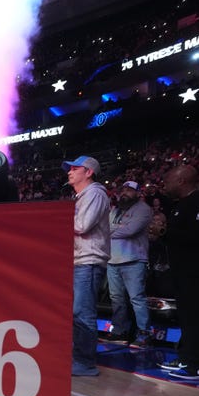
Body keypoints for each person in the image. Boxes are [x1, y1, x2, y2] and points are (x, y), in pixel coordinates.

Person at [157, 165, 199, 381]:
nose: (165, 185)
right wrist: (163, 235)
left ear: (182, 180)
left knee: (198, 318)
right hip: (183, 273)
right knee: (187, 318)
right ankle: (186, 358)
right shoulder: (179, 205)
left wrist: (166, 232)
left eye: (169, 180)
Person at [62, 156, 110, 377]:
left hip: (89, 260)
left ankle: (85, 362)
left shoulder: (95, 193)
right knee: (77, 312)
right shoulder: (82, 195)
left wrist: (58, 219)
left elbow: (81, 225)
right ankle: (79, 356)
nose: (70, 172)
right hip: (80, 260)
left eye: (75, 168)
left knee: (83, 312)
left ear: (88, 172)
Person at [105, 181, 153, 347]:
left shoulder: (143, 209)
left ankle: (144, 333)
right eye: (123, 189)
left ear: (138, 193)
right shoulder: (114, 209)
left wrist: (112, 230)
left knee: (137, 298)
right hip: (113, 260)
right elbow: (105, 228)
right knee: (116, 299)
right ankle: (119, 331)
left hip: (134, 259)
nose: (125, 192)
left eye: (130, 190)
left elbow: (130, 230)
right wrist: (116, 229)